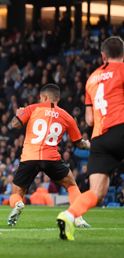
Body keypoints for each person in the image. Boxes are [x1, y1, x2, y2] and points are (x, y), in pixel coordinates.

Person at [57, 36, 124, 241]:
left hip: (100, 138)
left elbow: (89, 119)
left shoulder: (92, 78)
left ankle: (69, 215)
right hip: (121, 129)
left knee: (97, 192)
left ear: (102, 55)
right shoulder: (122, 70)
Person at [7, 84, 91, 228]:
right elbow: (80, 144)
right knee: (71, 185)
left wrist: (19, 113)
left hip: (29, 157)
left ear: (44, 97)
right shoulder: (67, 116)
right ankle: (78, 219)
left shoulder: (32, 108)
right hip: (51, 157)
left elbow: (15, 124)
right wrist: (88, 144)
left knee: (16, 192)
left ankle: (18, 204)